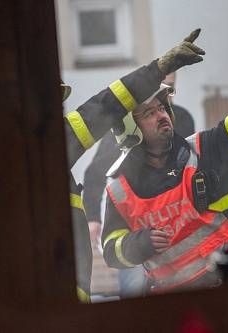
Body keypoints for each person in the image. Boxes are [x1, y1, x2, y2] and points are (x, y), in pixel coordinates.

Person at [101, 30, 228, 294]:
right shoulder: (119, 190)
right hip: (173, 302)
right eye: (148, 113)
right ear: (129, 129)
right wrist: (138, 244)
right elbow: (111, 250)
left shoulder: (205, 150)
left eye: (162, 108)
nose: (161, 116)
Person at [62, 29, 206, 300]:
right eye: (149, 112)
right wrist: (158, 68)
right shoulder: (55, 143)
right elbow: (105, 106)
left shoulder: (184, 128)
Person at [82, 72, 195, 298]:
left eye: (170, 89)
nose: (165, 99)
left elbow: (190, 165)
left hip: (175, 223)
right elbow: (95, 172)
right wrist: (94, 217)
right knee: (135, 290)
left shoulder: (181, 119)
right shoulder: (127, 127)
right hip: (133, 224)